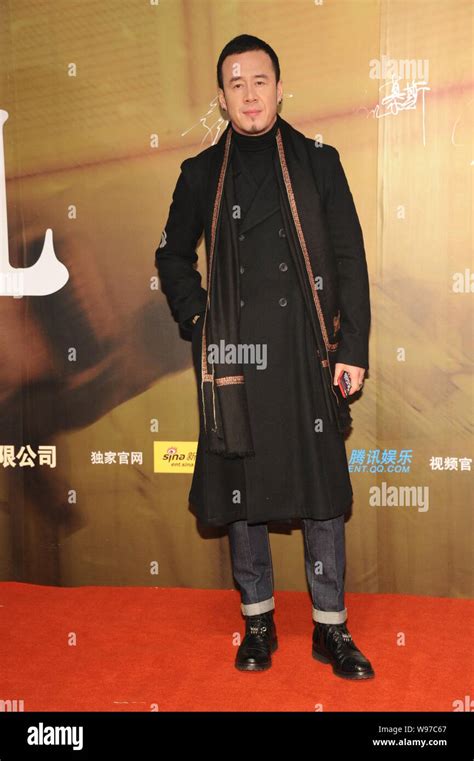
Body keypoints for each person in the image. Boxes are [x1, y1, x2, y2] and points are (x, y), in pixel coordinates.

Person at [155, 34, 374, 679]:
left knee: (322, 497)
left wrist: (352, 348)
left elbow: (349, 261)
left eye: (260, 81)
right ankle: (257, 621)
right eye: (236, 84)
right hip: (235, 356)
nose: (249, 95)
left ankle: (330, 629)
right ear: (221, 98)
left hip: (308, 351)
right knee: (241, 492)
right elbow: (172, 255)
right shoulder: (200, 174)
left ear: (280, 87)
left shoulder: (317, 162)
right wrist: (199, 317)